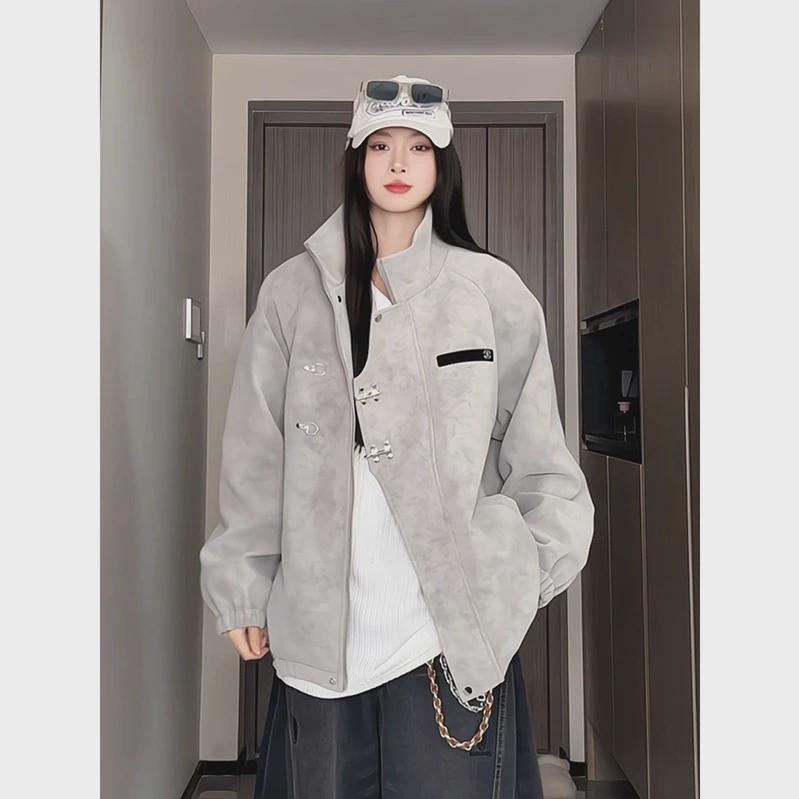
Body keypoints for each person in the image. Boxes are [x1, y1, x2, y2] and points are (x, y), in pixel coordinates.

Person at [199, 75, 595, 798]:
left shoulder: (490, 290)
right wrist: (241, 587)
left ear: (443, 163)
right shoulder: (290, 292)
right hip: (321, 626)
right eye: (380, 145)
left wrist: (516, 581)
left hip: (446, 630)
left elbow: (540, 457)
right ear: (356, 158)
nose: (399, 162)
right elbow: (256, 455)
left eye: (419, 146)